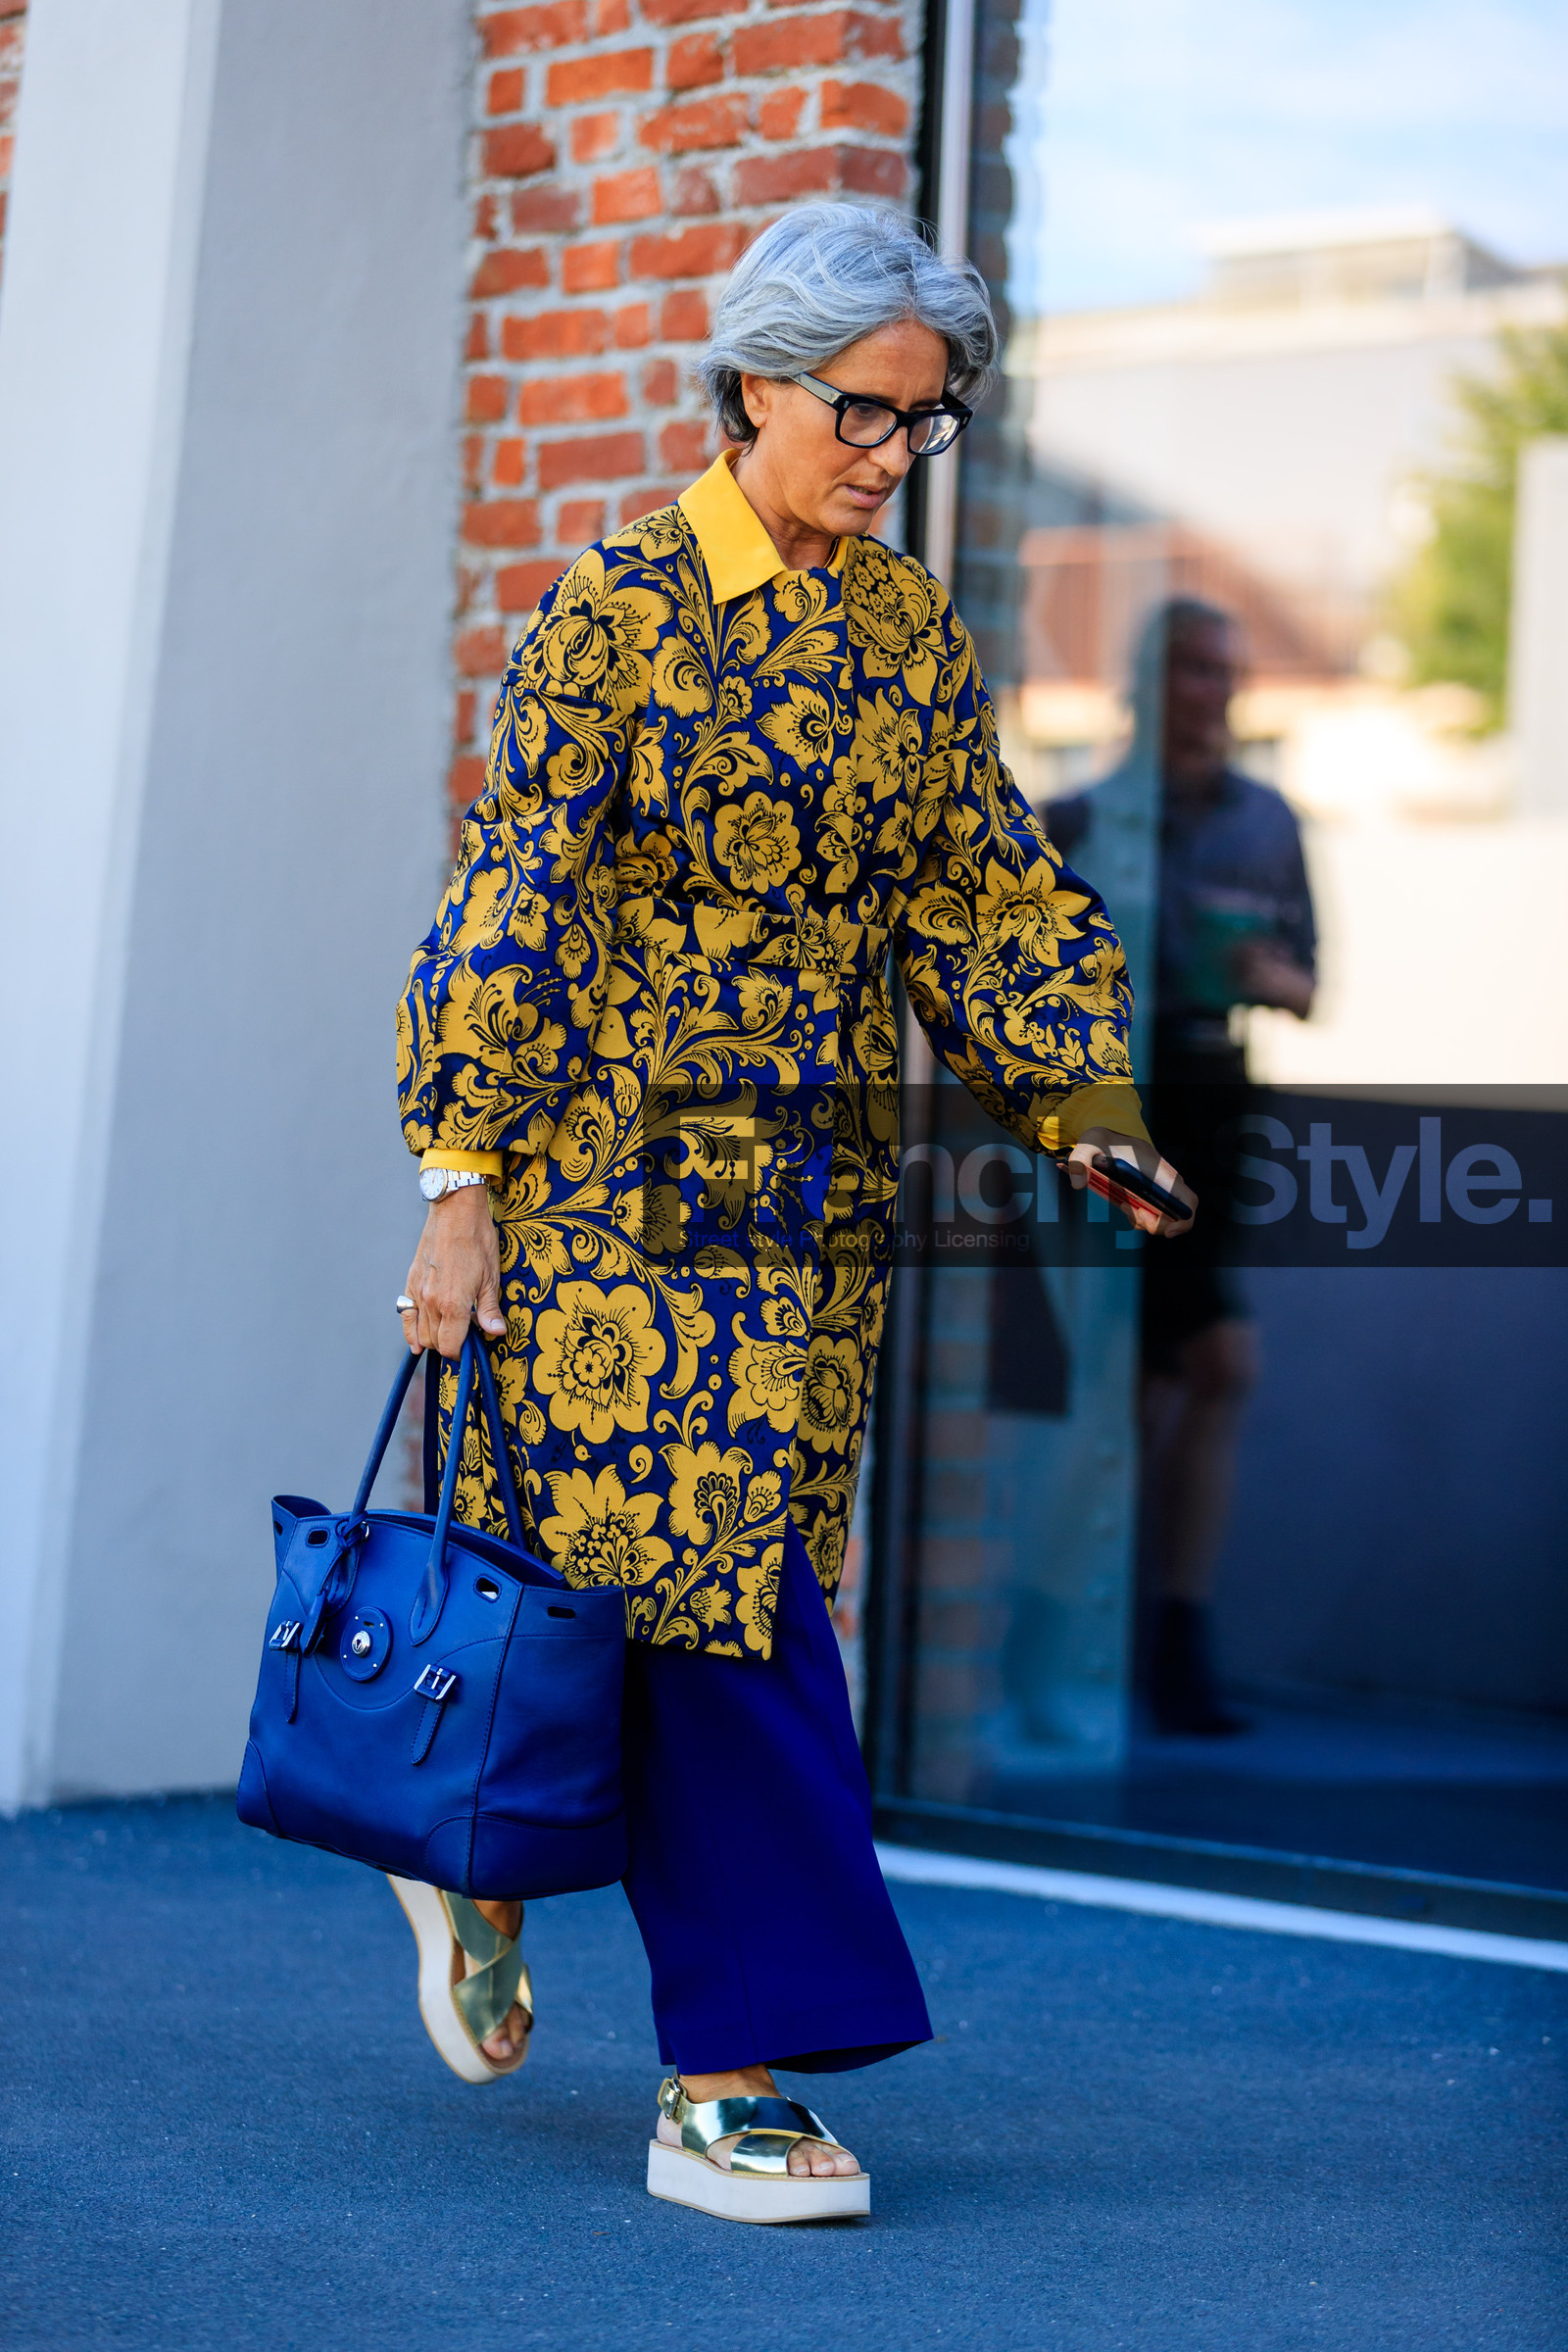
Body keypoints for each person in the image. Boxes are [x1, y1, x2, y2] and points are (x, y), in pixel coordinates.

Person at [392, 203, 1194, 2224]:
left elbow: (983, 891)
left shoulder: (905, 637)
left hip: (806, 1199)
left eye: (919, 429)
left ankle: (474, 1844)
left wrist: (1077, 1099)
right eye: (861, 413)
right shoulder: (615, 608)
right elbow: (518, 897)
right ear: (756, 375)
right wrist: (458, 1184)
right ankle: (721, 2080)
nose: (886, 457)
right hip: (609, 1204)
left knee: (676, 1594)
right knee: (710, 1606)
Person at [1049, 597, 1315, 1735]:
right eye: (1194, 670)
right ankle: (1114, 1638)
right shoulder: (1080, 816)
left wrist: (1259, 967)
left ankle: (1129, 1638)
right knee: (1173, 1373)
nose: (1213, 691)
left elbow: (1311, 986)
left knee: (1170, 1378)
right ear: (1147, 685)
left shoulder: (1266, 823)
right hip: (1118, 1117)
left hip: (1219, 1113)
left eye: (1226, 671)